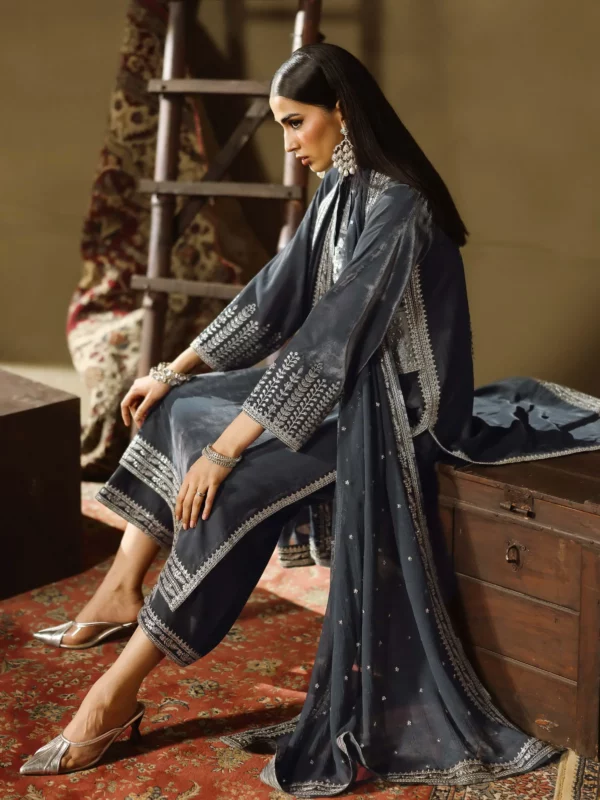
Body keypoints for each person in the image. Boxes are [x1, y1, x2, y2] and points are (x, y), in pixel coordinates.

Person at [21, 43, 600, 796]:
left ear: (343, 114)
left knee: (232, 488)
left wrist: (228, 450)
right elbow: (274, 295)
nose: (290, 143)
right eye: (282, 127)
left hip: (404, 412)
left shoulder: (401, 207)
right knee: (177, 406)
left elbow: (331, 341)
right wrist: (175, 367)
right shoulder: (338, 191)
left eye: (297, 123)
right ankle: (121, 590)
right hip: (345, 388)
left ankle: (115, 693)